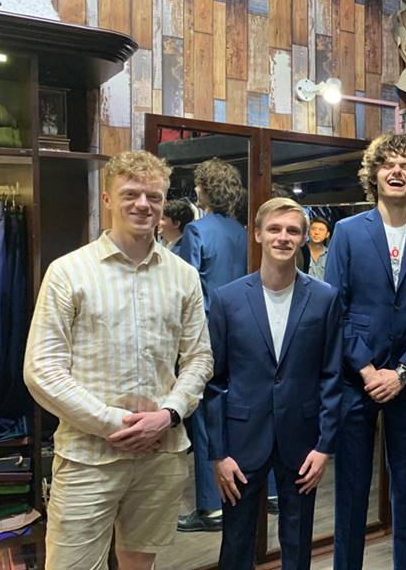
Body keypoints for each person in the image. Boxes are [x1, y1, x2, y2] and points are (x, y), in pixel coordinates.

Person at [23, 150, 213, 570]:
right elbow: (42, 369)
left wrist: (168, 414)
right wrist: (113, 423)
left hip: (161, 453)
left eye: (154, 196)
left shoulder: (183, 276)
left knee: (140, 563)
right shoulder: (68, 272)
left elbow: (199, 358)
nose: (143, 204)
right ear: (107, 199)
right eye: (131, 194)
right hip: (88, 456)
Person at [325, 132, 406, 570]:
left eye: (405, 164)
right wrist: (366, 369)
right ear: (374, 174)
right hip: (356, 380)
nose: (396, 171)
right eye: (388, 164)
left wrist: (403, 372)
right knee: (351, 492)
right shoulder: (346, 232)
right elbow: (335, 307)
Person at [204, 197, 342, 570]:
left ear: (304, 238)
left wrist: (324, 446)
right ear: (258, 234)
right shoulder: (227, 299)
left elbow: (331, 375)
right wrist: (218, 453)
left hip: (302, 440)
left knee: (298, 541)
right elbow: (214, 381)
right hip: (241, 440)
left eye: (293, 231)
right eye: (275, 229)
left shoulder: (325, 298)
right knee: (236, 542)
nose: (283, 237)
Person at [178, 157, 248, 532]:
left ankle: (210, 506)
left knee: (206, 418)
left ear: (205, 190)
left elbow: (188, 285)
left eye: (199, 185)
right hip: (241, 329)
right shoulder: (242, 231)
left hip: (207, 332)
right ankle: (262, 492)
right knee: (241, 412)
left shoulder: (196, 230)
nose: (196, 190)